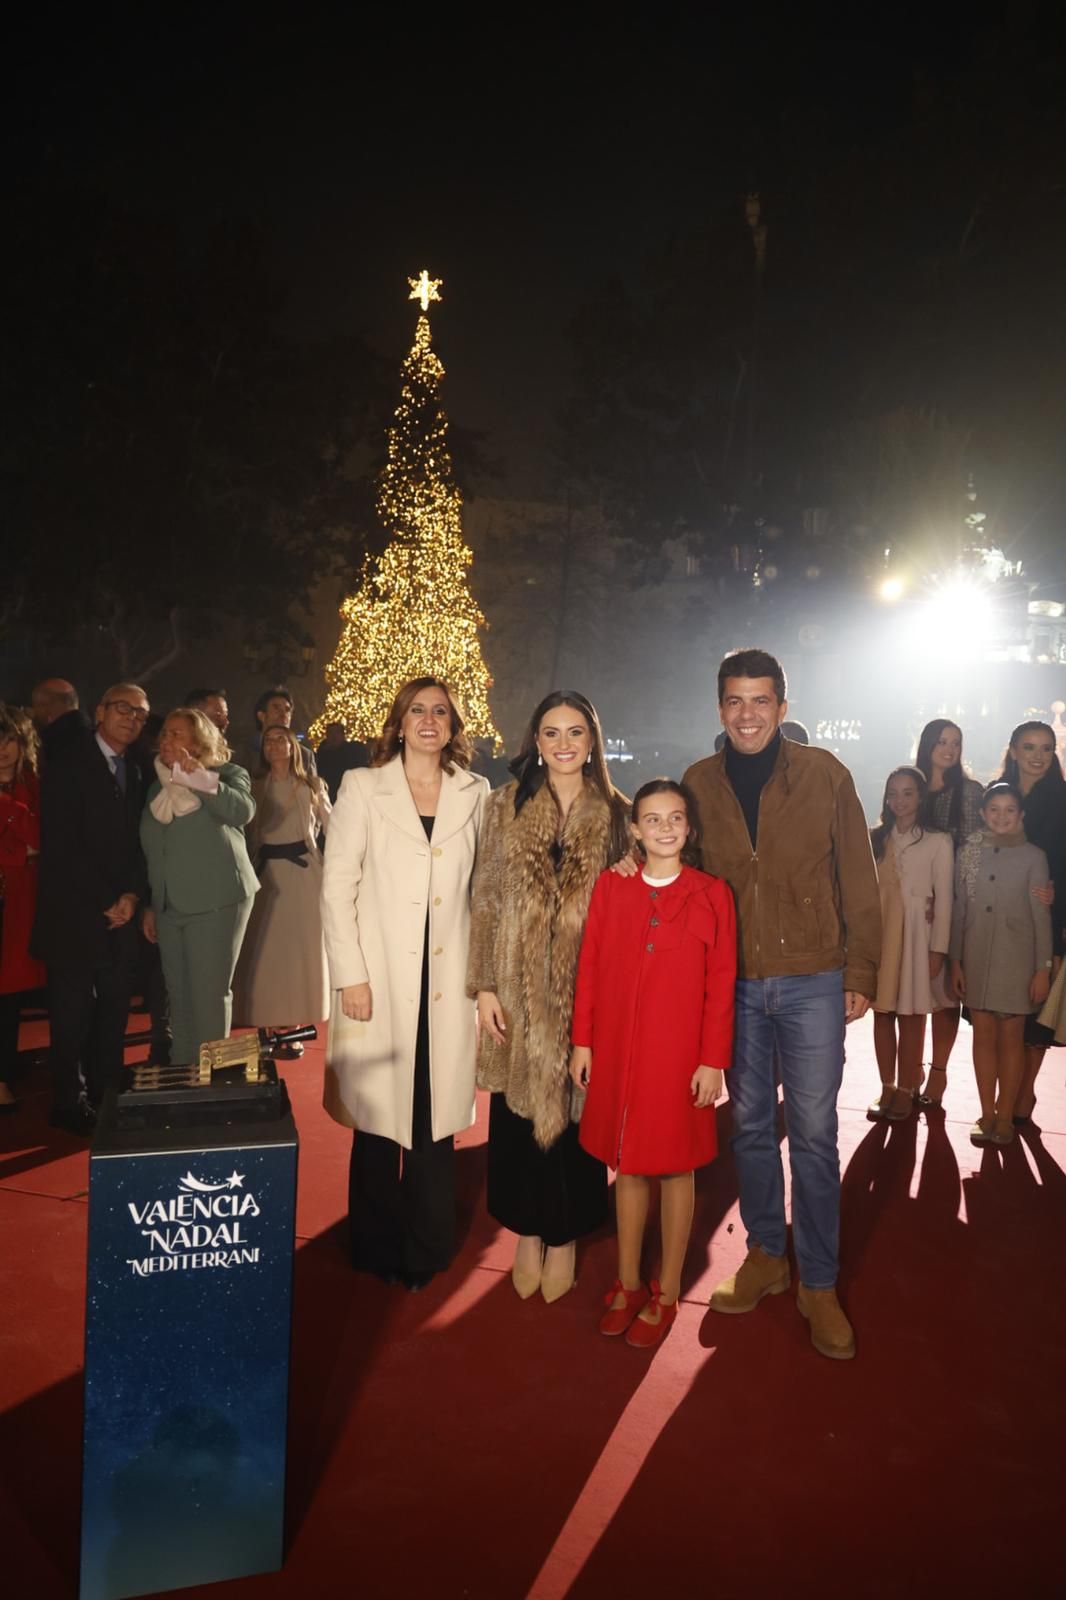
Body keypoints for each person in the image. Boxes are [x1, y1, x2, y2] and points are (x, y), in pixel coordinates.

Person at [681, 648, 880, 1361]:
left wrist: (862, 966)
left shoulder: (826, 775)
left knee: (819, 1134)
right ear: (720, 708)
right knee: (752, 1128)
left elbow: (860, 875)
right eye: (734, 700)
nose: (747, 714)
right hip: (734, 983)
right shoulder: (698, 783)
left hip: (813, 979)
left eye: (760, 700)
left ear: (783, 708)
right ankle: (768, 1252)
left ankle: (818, 1282)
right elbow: (683, 883)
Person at [321, 678, 488, 1291]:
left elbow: (483, 887)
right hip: (380, 980)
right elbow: (338, 887)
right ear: (398, 722)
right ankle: (371, 1243)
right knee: (376, 1118)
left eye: (440, 711)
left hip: (447, 983)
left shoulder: (476, 792)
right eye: (417, 710)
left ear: (452, 726)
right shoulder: (363, 787)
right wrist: (351, 976)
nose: (428, 719)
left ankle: (425, 1249)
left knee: (432, 1116)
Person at [467, 690, 631, 1303]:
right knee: (516, 1120)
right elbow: (484, 897)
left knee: (575, 1119)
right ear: (535, 741)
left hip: (585, 995)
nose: (564, 744)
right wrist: (482, 984)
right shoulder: (503, 805)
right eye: (551, 732)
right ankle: (527, 1232)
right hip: (514, 986)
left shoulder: (618, 813)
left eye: (576, 733)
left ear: (593, 742)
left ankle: (563, 1235)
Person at [570, 780, 736, 1349]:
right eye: (653, 819)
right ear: (635, 829)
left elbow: (721, 984)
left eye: (676, 818)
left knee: (677, 1167)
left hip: (681, 1056)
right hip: (619, 1051)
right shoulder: (612, 889)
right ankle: (629, 1279)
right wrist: (582, 1041)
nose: (665, 827)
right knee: (630, 1166)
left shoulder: (713, 894)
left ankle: (666, 1292)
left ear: (688, 828)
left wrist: (713, 1060)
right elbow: (589, 965)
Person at [33, 683, 149, 1132]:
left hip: (122, 912)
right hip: (74, 913)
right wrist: (109, 900)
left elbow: (139, 844)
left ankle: (105, 1092)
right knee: (71, 1015)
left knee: (115, 1009)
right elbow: (63, 847)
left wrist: (133, 897)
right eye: (123, 709)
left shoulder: (135, 769)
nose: (132, 719)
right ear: (99, 711)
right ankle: (68, 1100)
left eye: (140, 714)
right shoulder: (67, 764)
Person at [140, 708, 258, 1066]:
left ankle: (211, 1081)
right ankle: (183, 1073)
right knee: (179, 997)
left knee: (208, 996)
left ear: (199, 740)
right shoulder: (155, 785)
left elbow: (242, 811)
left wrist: (198, 777)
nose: (166, 740)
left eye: (176, 734)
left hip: (217, 900)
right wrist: (151, 904)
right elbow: (153, 851)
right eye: (164, 734)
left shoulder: (227, 774)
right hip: (168, 905)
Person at [949, 782, 1052, 1146]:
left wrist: (1042, 968)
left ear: (1021, 815)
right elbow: (960, 909)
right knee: (982, 1039)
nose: (1002, 816)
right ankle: (986, 1112)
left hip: (1018, 962)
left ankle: (1006, 1115)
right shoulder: (968, 853)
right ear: (982, 813)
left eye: (1010, 810)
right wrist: (956, 960)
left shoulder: (1034, 856)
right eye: (994, 809)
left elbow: (1041, 918)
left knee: (1011, 1040)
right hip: (975, 959)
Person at [234, 725, 332, 1053]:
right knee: (266, 953)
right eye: (268, 741)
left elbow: (331, 825)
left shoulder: (311, 785)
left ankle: (295, 1024)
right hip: (266, 874)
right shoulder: (255, 787)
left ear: (293, 747)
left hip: (304, 874)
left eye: (281, 740)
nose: (274, 746)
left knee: (300, 950)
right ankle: (267, 1023)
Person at [867, 767, 953, 1120]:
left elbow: (944, 900)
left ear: (920, 797)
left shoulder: (938, 841)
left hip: (919, 936)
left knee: (913, 1016)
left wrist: (938, 949)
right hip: (882, 934)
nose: (899, 800)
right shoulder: (875, 839)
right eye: (893, 793)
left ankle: (907, 1089)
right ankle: (887, 1087)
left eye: (907, 793)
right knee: (882, 1013)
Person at [995, 721, 1066, 1122]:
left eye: (1046, 748)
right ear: (1014, 750)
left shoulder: (1062, 797)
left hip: (1048, 914)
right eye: (1029, 747)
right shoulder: (998, 793)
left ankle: (1025, 1094)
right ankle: (1005, 1097)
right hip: (1000, 915)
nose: (1038, 755)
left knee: (1038, 1013)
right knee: (1006, 1012)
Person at [913, 718, 984, 1104]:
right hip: (909, 910)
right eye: (942, 742)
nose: (950, 749)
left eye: (956, 743)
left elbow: (974, 855)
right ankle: (910, 1071)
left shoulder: (970, 792)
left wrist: (952, 903)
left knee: (944, 998)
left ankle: (938, 1073)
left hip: (952, 909)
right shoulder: (911, 787)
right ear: (927, 745)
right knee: (909, 994)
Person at [0, 706, 46, 1111]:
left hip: (24, 901)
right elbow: (27, 845)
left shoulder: (32, 783)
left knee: (12, 990)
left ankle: (8, 1065)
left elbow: (39, 838)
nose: (3, 749)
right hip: (6, 894)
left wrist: (9, 814)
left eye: (10, 739)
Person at [30, 676, 90, 766]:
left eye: (36, 705)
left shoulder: (50, 745)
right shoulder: (96, 737)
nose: (33, 711)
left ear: (43, 704)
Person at [315, 720, 369, 804]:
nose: (334, 736)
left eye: (337, 733)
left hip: (349, 794)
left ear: (342, 735)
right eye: (330, 733)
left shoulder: (353, 752)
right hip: (329, 795)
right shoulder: (323, 755)